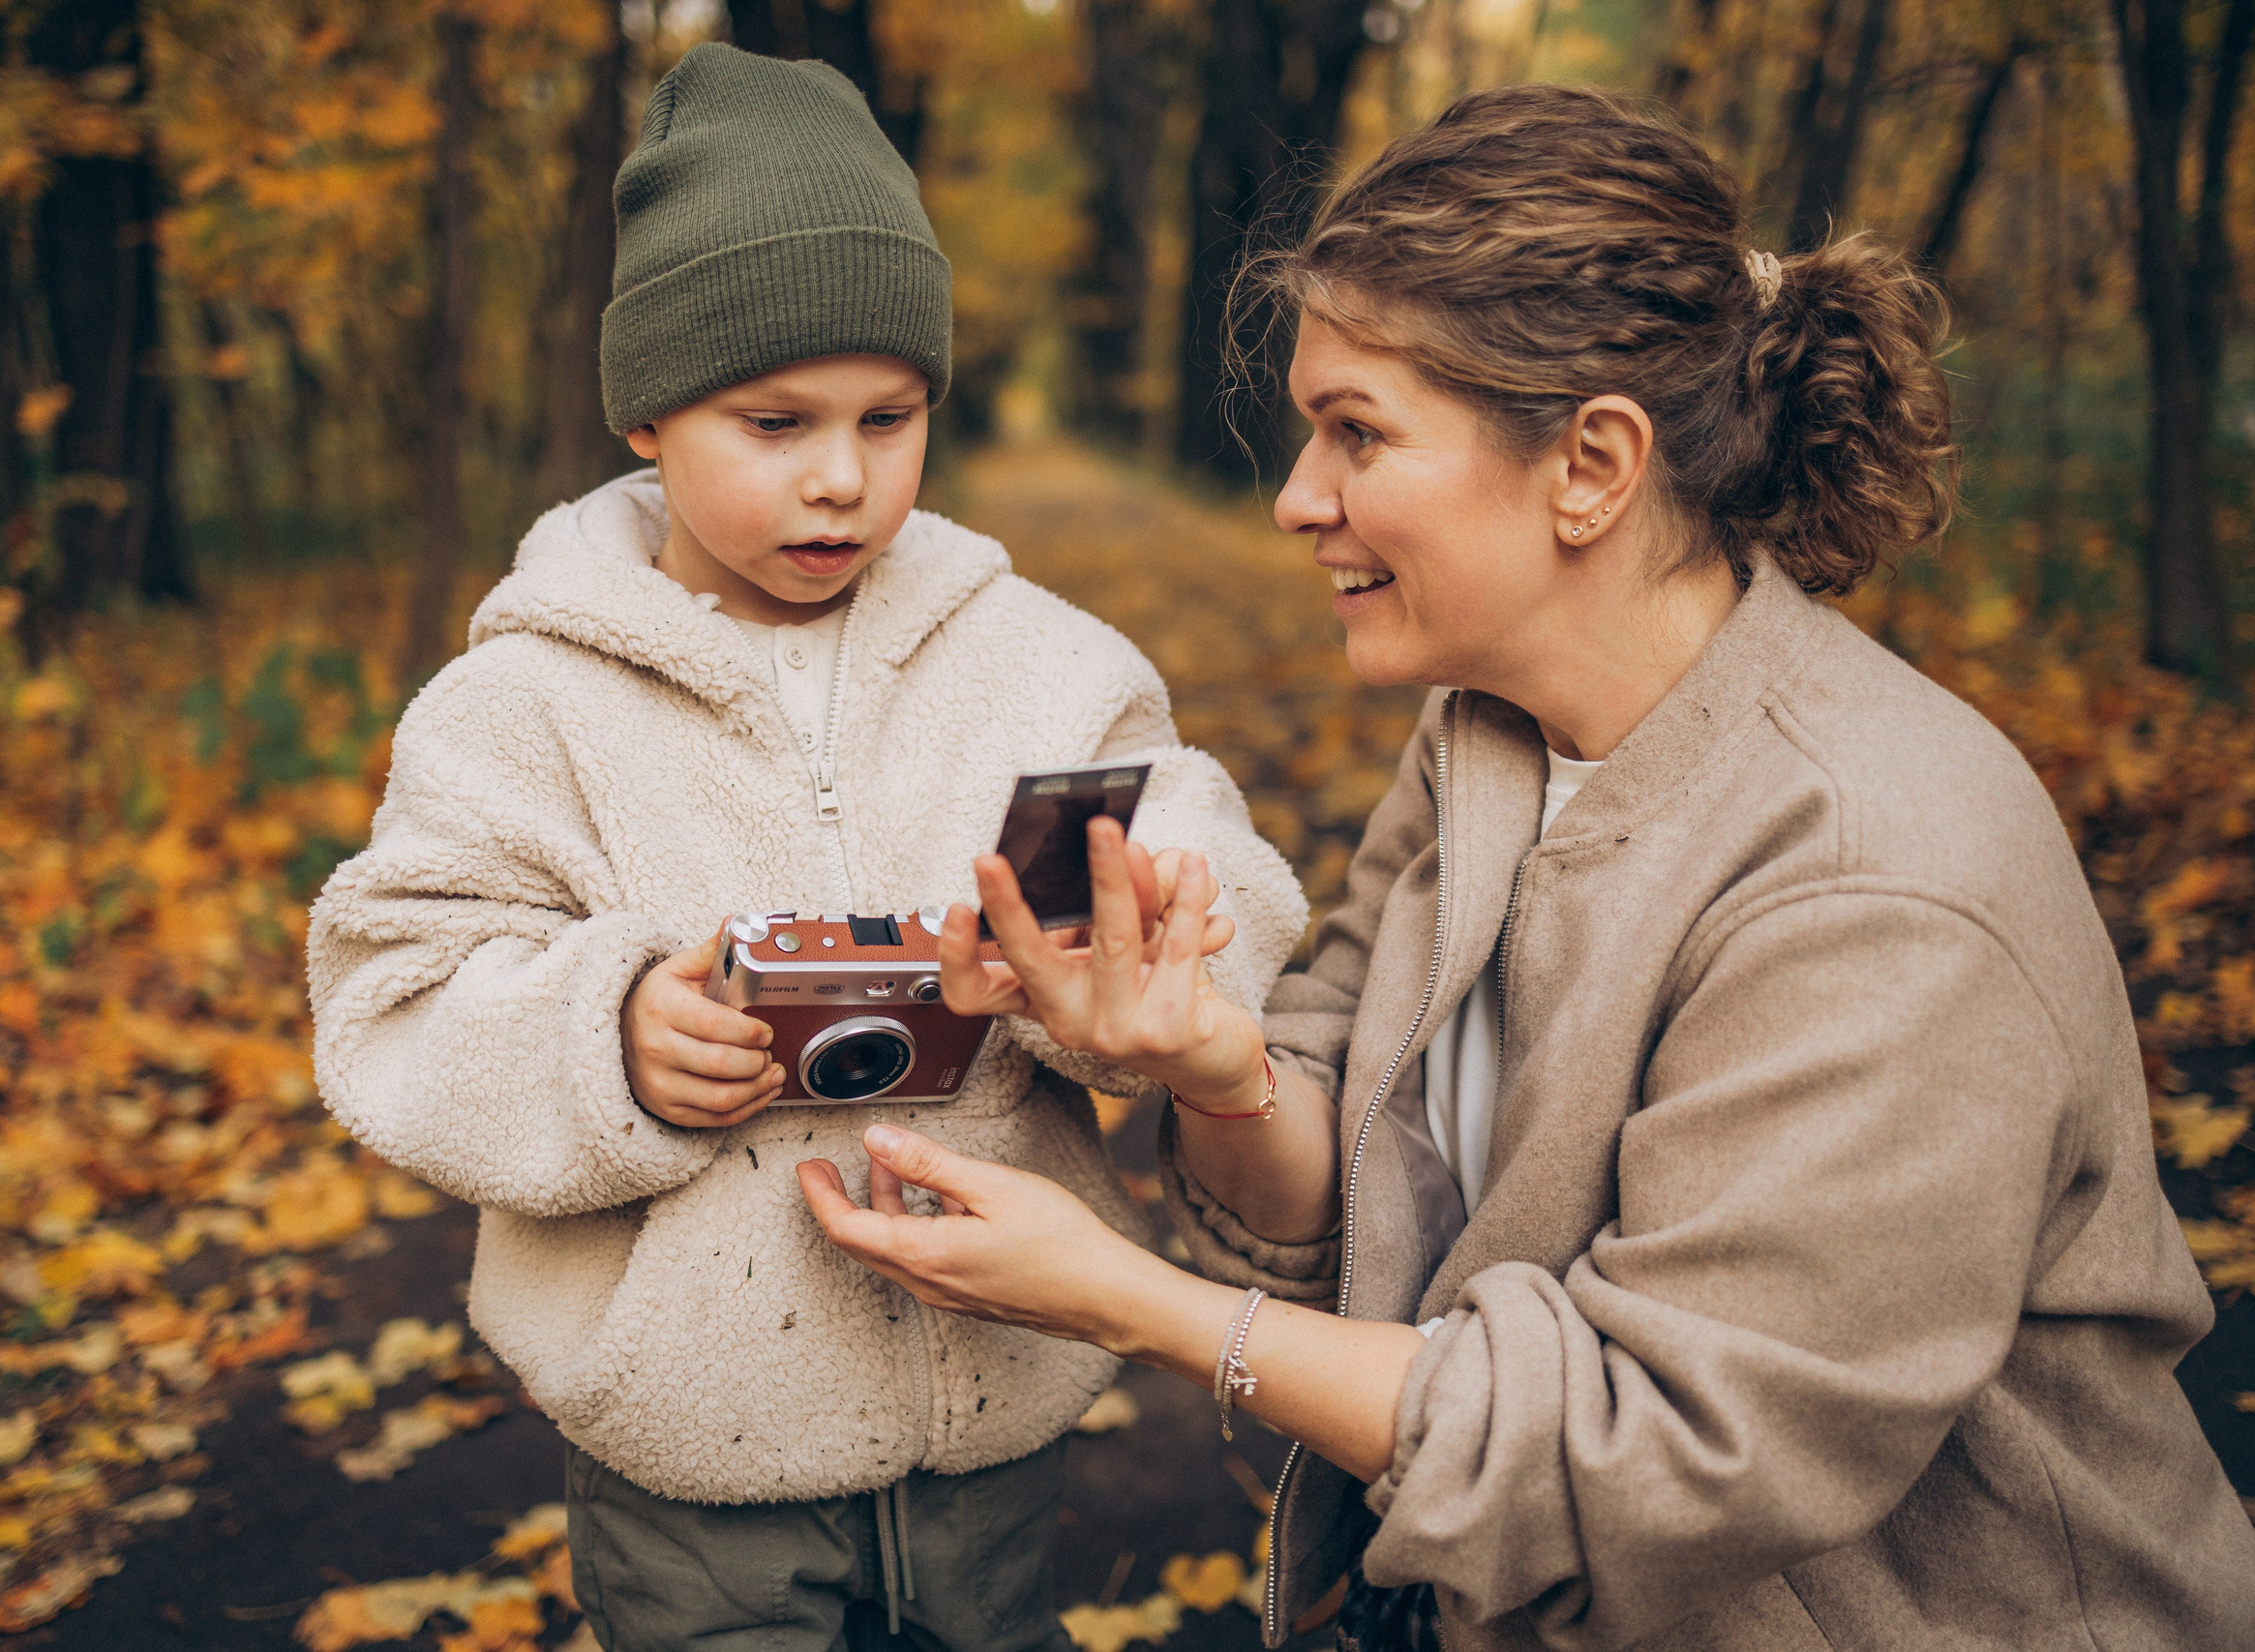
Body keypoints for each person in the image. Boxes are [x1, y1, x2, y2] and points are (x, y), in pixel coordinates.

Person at [800, 84, 2255, 1651]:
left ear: (1591, 466)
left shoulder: (1875, 879)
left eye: (1357, 432)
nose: (1298, 496)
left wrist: (1123, 1301)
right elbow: (1365, 1179)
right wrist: (1214, 1071)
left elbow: (1648, 1450)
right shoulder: (1485, 731)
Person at [307, 43, 1308, 1652]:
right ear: (646, 411)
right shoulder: (523, 705)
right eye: (773, 421)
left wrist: (1101, 960)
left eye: (889, 417)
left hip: (996, 1385)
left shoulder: (1034, 666)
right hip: (691, 1442)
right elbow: (392, 997)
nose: (842, 476)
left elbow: (1205, 862)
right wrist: (611, 1036)